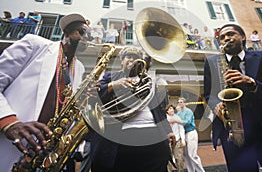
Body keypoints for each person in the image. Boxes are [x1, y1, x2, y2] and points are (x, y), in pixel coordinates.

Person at [204, 23, 262, 171]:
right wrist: (215, 105)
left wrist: (251, 82)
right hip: (232, 129)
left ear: (242, 37)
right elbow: (209, 95)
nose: (226, 39)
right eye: (222, 37)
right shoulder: (210, 62)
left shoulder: (261, 56)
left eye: (230, 34)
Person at [0, 13, 89, 172]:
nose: (86, 38)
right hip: (10, 144)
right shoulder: (34, 44)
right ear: (66, 33)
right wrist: (8, 122)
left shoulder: (80, 68)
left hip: (43, 155)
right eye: (81, 32)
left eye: (89, 36)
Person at [88, 46, 175, 172]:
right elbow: (93, 97)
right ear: (121, 61)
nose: (132, 60)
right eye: (128, 57)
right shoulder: (110, 77)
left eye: (135, 58)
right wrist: (114, 85)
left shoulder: (148, 82)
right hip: (122, 138)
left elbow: (159, 111)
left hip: (153, 135)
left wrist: (167, 130)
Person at [177, 97, 205, 172]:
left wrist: (178, 121)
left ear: (185, 103)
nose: (180, 103)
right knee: (186, 155)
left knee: (192, 155)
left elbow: (187, 122)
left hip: (191, 133)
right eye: (179, 102)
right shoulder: (178, 113)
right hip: (184, 134)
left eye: (181, 102)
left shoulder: (188, 111)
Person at [166, 104, 186, 172]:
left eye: (172, 108)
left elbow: (181, 129)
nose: (171, 110)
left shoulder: (177, 117)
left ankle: (180, 170)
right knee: (168, 159)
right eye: (170, 109)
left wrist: (183, 140)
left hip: (177, 140)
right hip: (167, 141)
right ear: (167, 111)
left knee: (179, 158)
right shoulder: (164, 119)